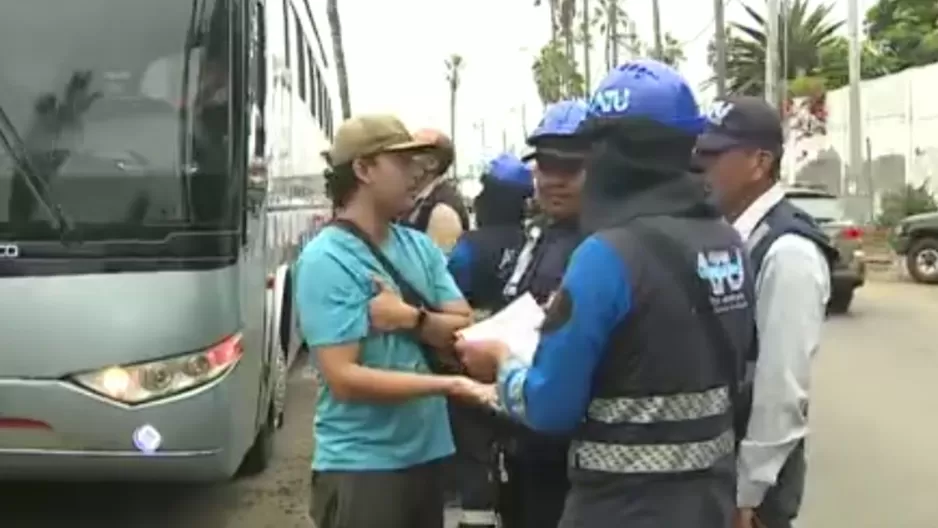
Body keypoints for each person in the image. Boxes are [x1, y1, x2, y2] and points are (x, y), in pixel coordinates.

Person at [456, 59, 758, 528]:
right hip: (707, 502)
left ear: (606, 152)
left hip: (620, 508)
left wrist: (501, 364)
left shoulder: (606, 256)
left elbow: (549, 406)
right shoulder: (728, 241)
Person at [296, 114, 495, 528]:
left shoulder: (419, 246)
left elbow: (463, 325)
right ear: (364, 169)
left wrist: (410, 318)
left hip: (427, 456)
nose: (416, 174)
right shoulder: (326, 259)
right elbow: (345, 379)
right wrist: (450, 384)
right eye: (402, 163)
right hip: (362, 467)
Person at [695, 96, 837, 528]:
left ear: (760, 162)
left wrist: (748, 491)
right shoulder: (732, 237)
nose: (702, 166)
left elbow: (781, 387)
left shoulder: (788, 251)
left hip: (753, 490)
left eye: (715, 155)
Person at [448, 99, 590, 528]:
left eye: (571, 168)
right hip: (520, 436)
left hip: (565, 454)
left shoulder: (601, 245)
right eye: (547, 167)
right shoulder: (542, 233)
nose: (555, 181)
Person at [404, 128, 471, 253]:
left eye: (412, 151)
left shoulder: (443, 212)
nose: (403, 157)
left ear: (431, 163)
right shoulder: (419, 200)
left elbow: (435, 269)